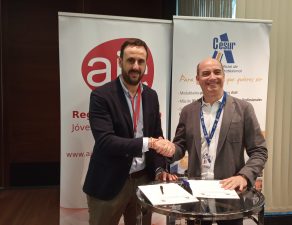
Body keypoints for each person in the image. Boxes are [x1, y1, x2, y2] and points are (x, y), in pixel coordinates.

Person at [158, 57, 268, 225]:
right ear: (197, 79)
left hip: (230, 194)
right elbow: (180, 147)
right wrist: (169, 150)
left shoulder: (244, 109)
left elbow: (259, 151)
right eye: (205, 73)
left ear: (224, 76)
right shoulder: (188, 112)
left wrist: (244, 177)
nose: (212, 77)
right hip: (196, 194)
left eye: (217, 72)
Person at [83, 38, 176, 225]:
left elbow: (157, 135)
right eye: (130, 60)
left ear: (145, 65)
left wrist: (159, 169)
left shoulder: (151, 95)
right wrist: (149, 142)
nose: (135, 66)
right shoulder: (101, 96)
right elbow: (106, 141)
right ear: (119, 62)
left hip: (143, 180)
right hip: (109, 182)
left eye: (141, 61)